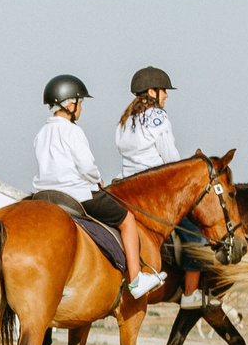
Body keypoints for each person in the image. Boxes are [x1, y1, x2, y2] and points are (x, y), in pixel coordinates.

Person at [32, 73, 165, 298]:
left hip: (44, 196)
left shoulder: (41, 133)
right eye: (80, 103)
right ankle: (135, 280)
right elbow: (86, 165)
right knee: (127, 220)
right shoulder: (73, 131)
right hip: (76, 195)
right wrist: (97, 179)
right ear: (70, 104)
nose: (81, 108)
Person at [114, 65, 207, 307]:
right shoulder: (158, 116)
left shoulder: (124, 121)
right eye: (164, 90)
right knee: (194, 231)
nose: (167, 95)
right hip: (155, 194)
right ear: (152, 92)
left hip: (127, 191)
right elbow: (171, 160)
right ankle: (189, 293)